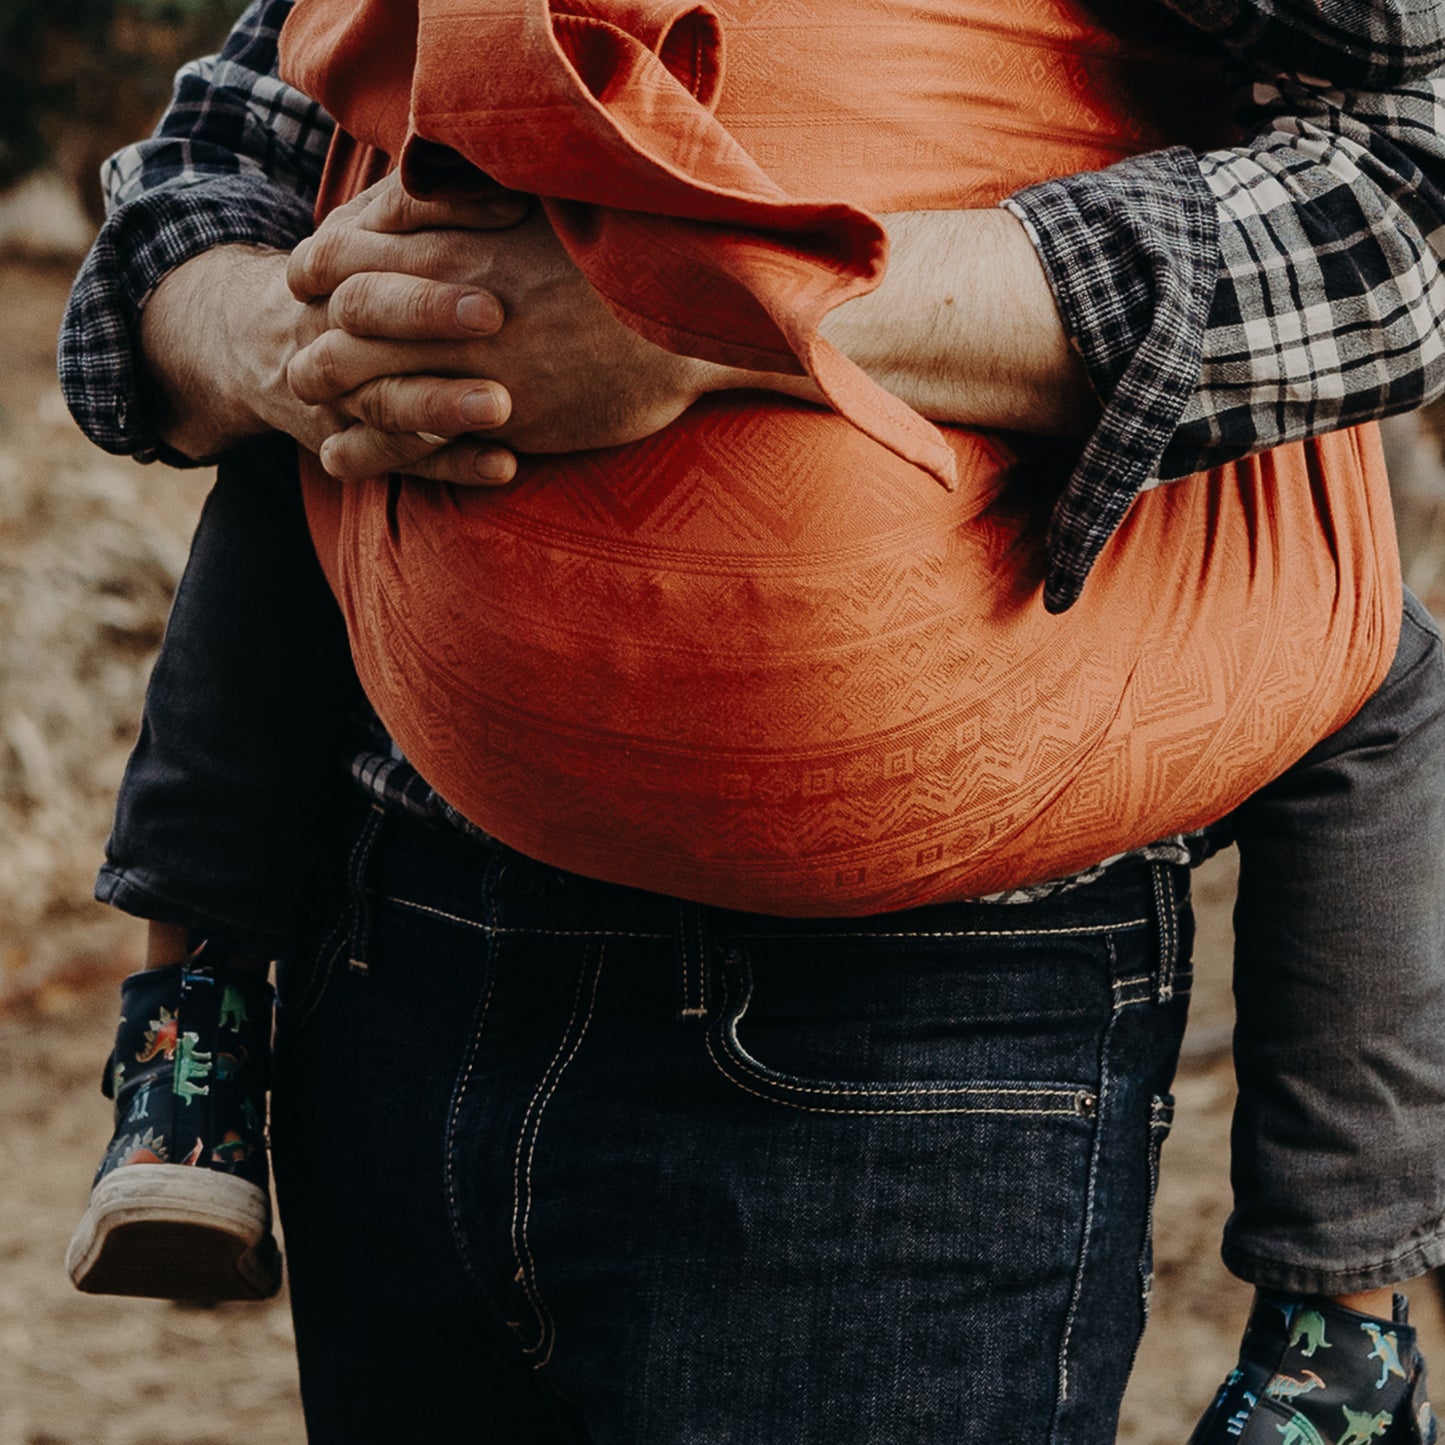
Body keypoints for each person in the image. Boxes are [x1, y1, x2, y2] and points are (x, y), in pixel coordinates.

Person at [56, 0, 1445, 1440]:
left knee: (1377, 682)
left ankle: (1341, 1315)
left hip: (919, 1023)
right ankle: (192, 1023)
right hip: (399, 947)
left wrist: (757, 309)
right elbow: (223, 152)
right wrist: (309, 337)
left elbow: (1404, 197)